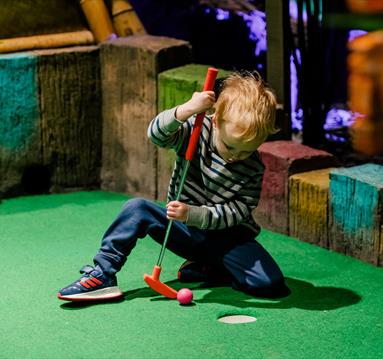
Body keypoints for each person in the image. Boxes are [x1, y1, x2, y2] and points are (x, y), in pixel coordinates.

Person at [57, 71, 290, 301]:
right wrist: (188, 108)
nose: (235, 157)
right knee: (136, 209)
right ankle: (103, 274)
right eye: (230, 147)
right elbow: (156, 134)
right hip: (182, 230)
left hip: (227, 239)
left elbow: (238, 211)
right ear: (216, 122)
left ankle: (210, 268)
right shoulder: (198, 130)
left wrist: (193, 213)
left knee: (270, 284)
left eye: (247, 150)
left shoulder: (254, 167)